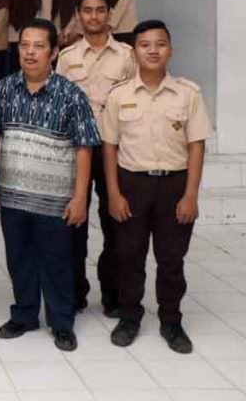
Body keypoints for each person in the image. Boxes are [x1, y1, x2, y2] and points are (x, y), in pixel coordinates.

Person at [0, 19, 99, 352]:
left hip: (55, 200)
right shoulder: (4, 89)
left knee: (57, 261)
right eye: (24, 45)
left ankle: (61, 322)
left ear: (54, 51)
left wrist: (79, 198)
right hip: (14, 196)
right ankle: (24, 315)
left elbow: (84, 146)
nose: (30, 52)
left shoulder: (71, 95)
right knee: (19, 258)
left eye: (39, 46)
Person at [101, 20, 210, 354]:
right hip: (132, 184)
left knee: (171, 259)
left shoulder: (188, 93)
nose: (152, 50)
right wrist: (114, 193)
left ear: (170, 50)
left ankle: (172, 322)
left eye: (160, 44)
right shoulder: (119, 95)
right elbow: (109, 147)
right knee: (129, 256)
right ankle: (130, 317)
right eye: (145, 44)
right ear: (134, 52)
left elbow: (196, 146)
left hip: (174, 185)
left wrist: (191, 195)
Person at [56, 0, 135, 316]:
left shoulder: (127, 55)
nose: (93, 17)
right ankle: (74, 293)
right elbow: (58, 102)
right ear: (79, 14)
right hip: (76, 150)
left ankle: (114, 294)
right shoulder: (67, 56)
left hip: (115, 150)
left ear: (109, 14)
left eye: (100, 10)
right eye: (87, 11)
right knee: (74, 221)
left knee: (116, 221)